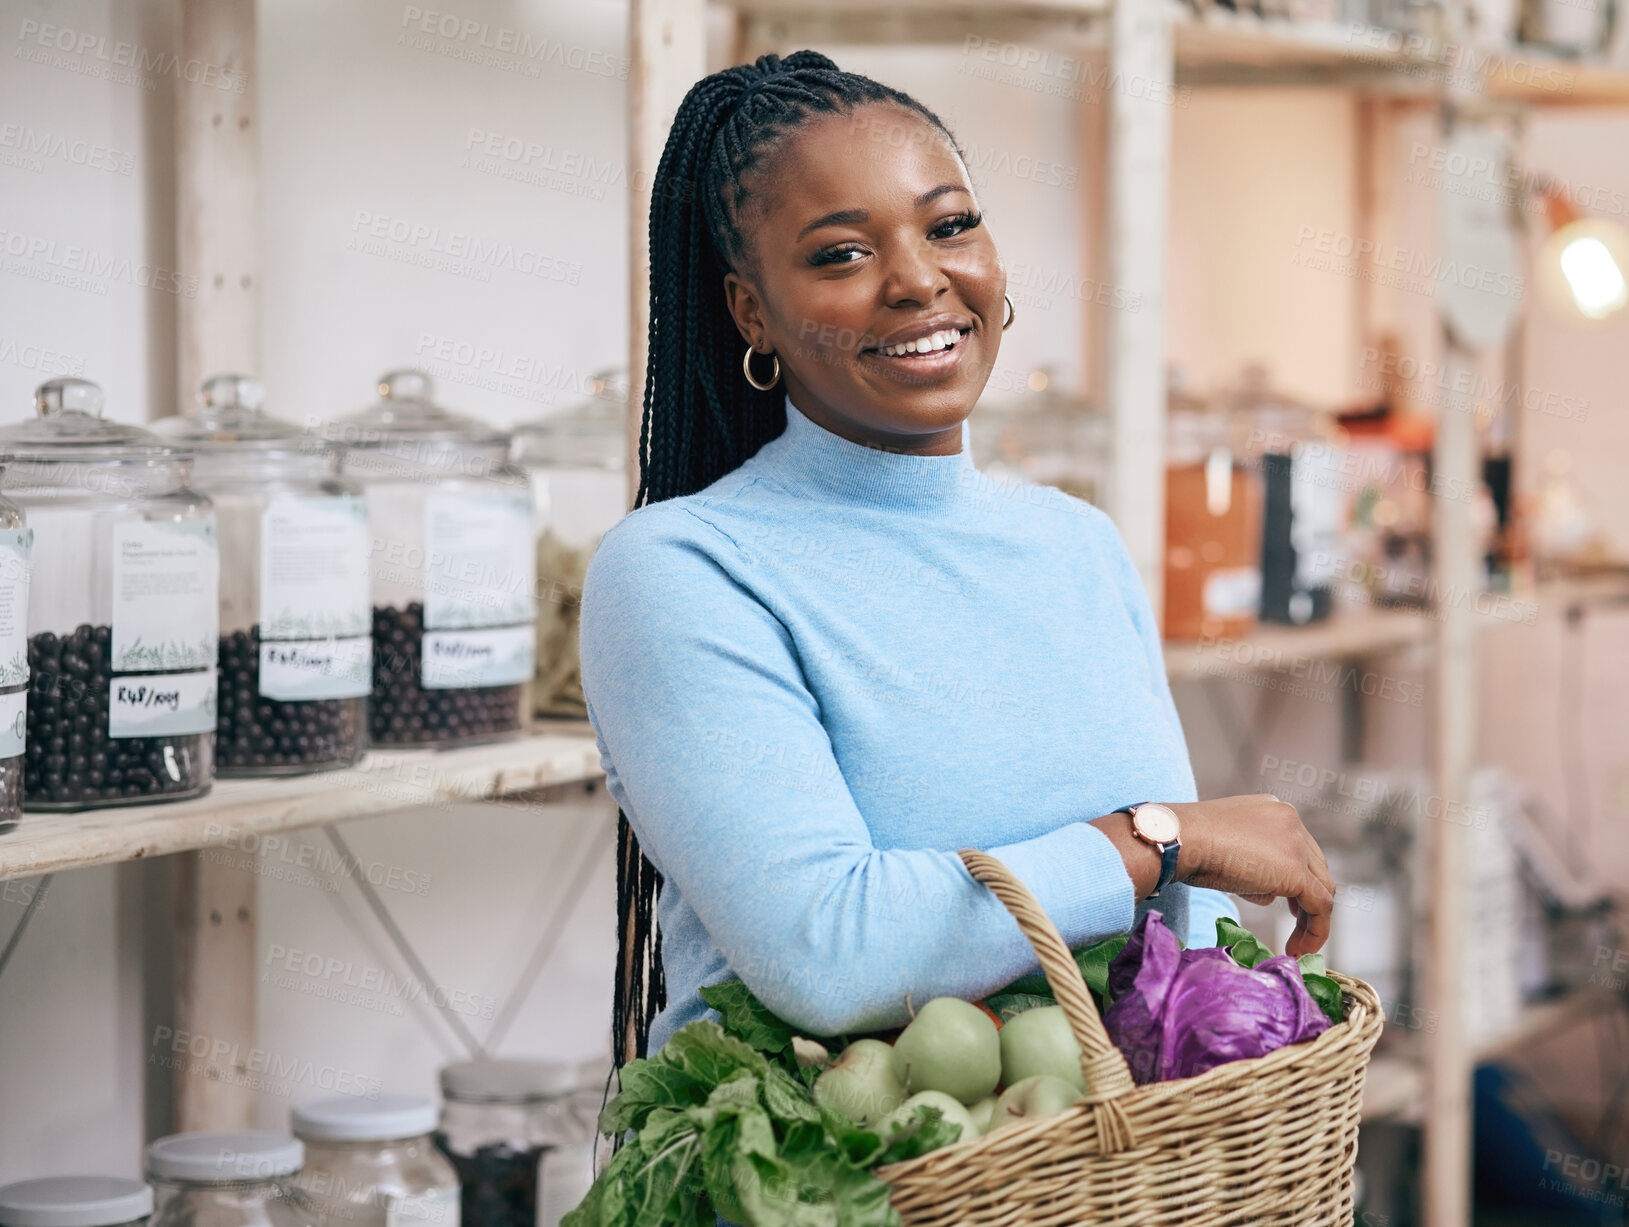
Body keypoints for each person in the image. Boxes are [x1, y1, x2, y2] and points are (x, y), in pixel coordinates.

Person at [580, 51, 1335, 1066]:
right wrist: (1160, 837)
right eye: (841, 254)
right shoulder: (681, 571)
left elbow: (1174, 951)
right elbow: (831, 955)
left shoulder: (1076, 543)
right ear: (751, 311)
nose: (920, 280)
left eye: (949, 226)